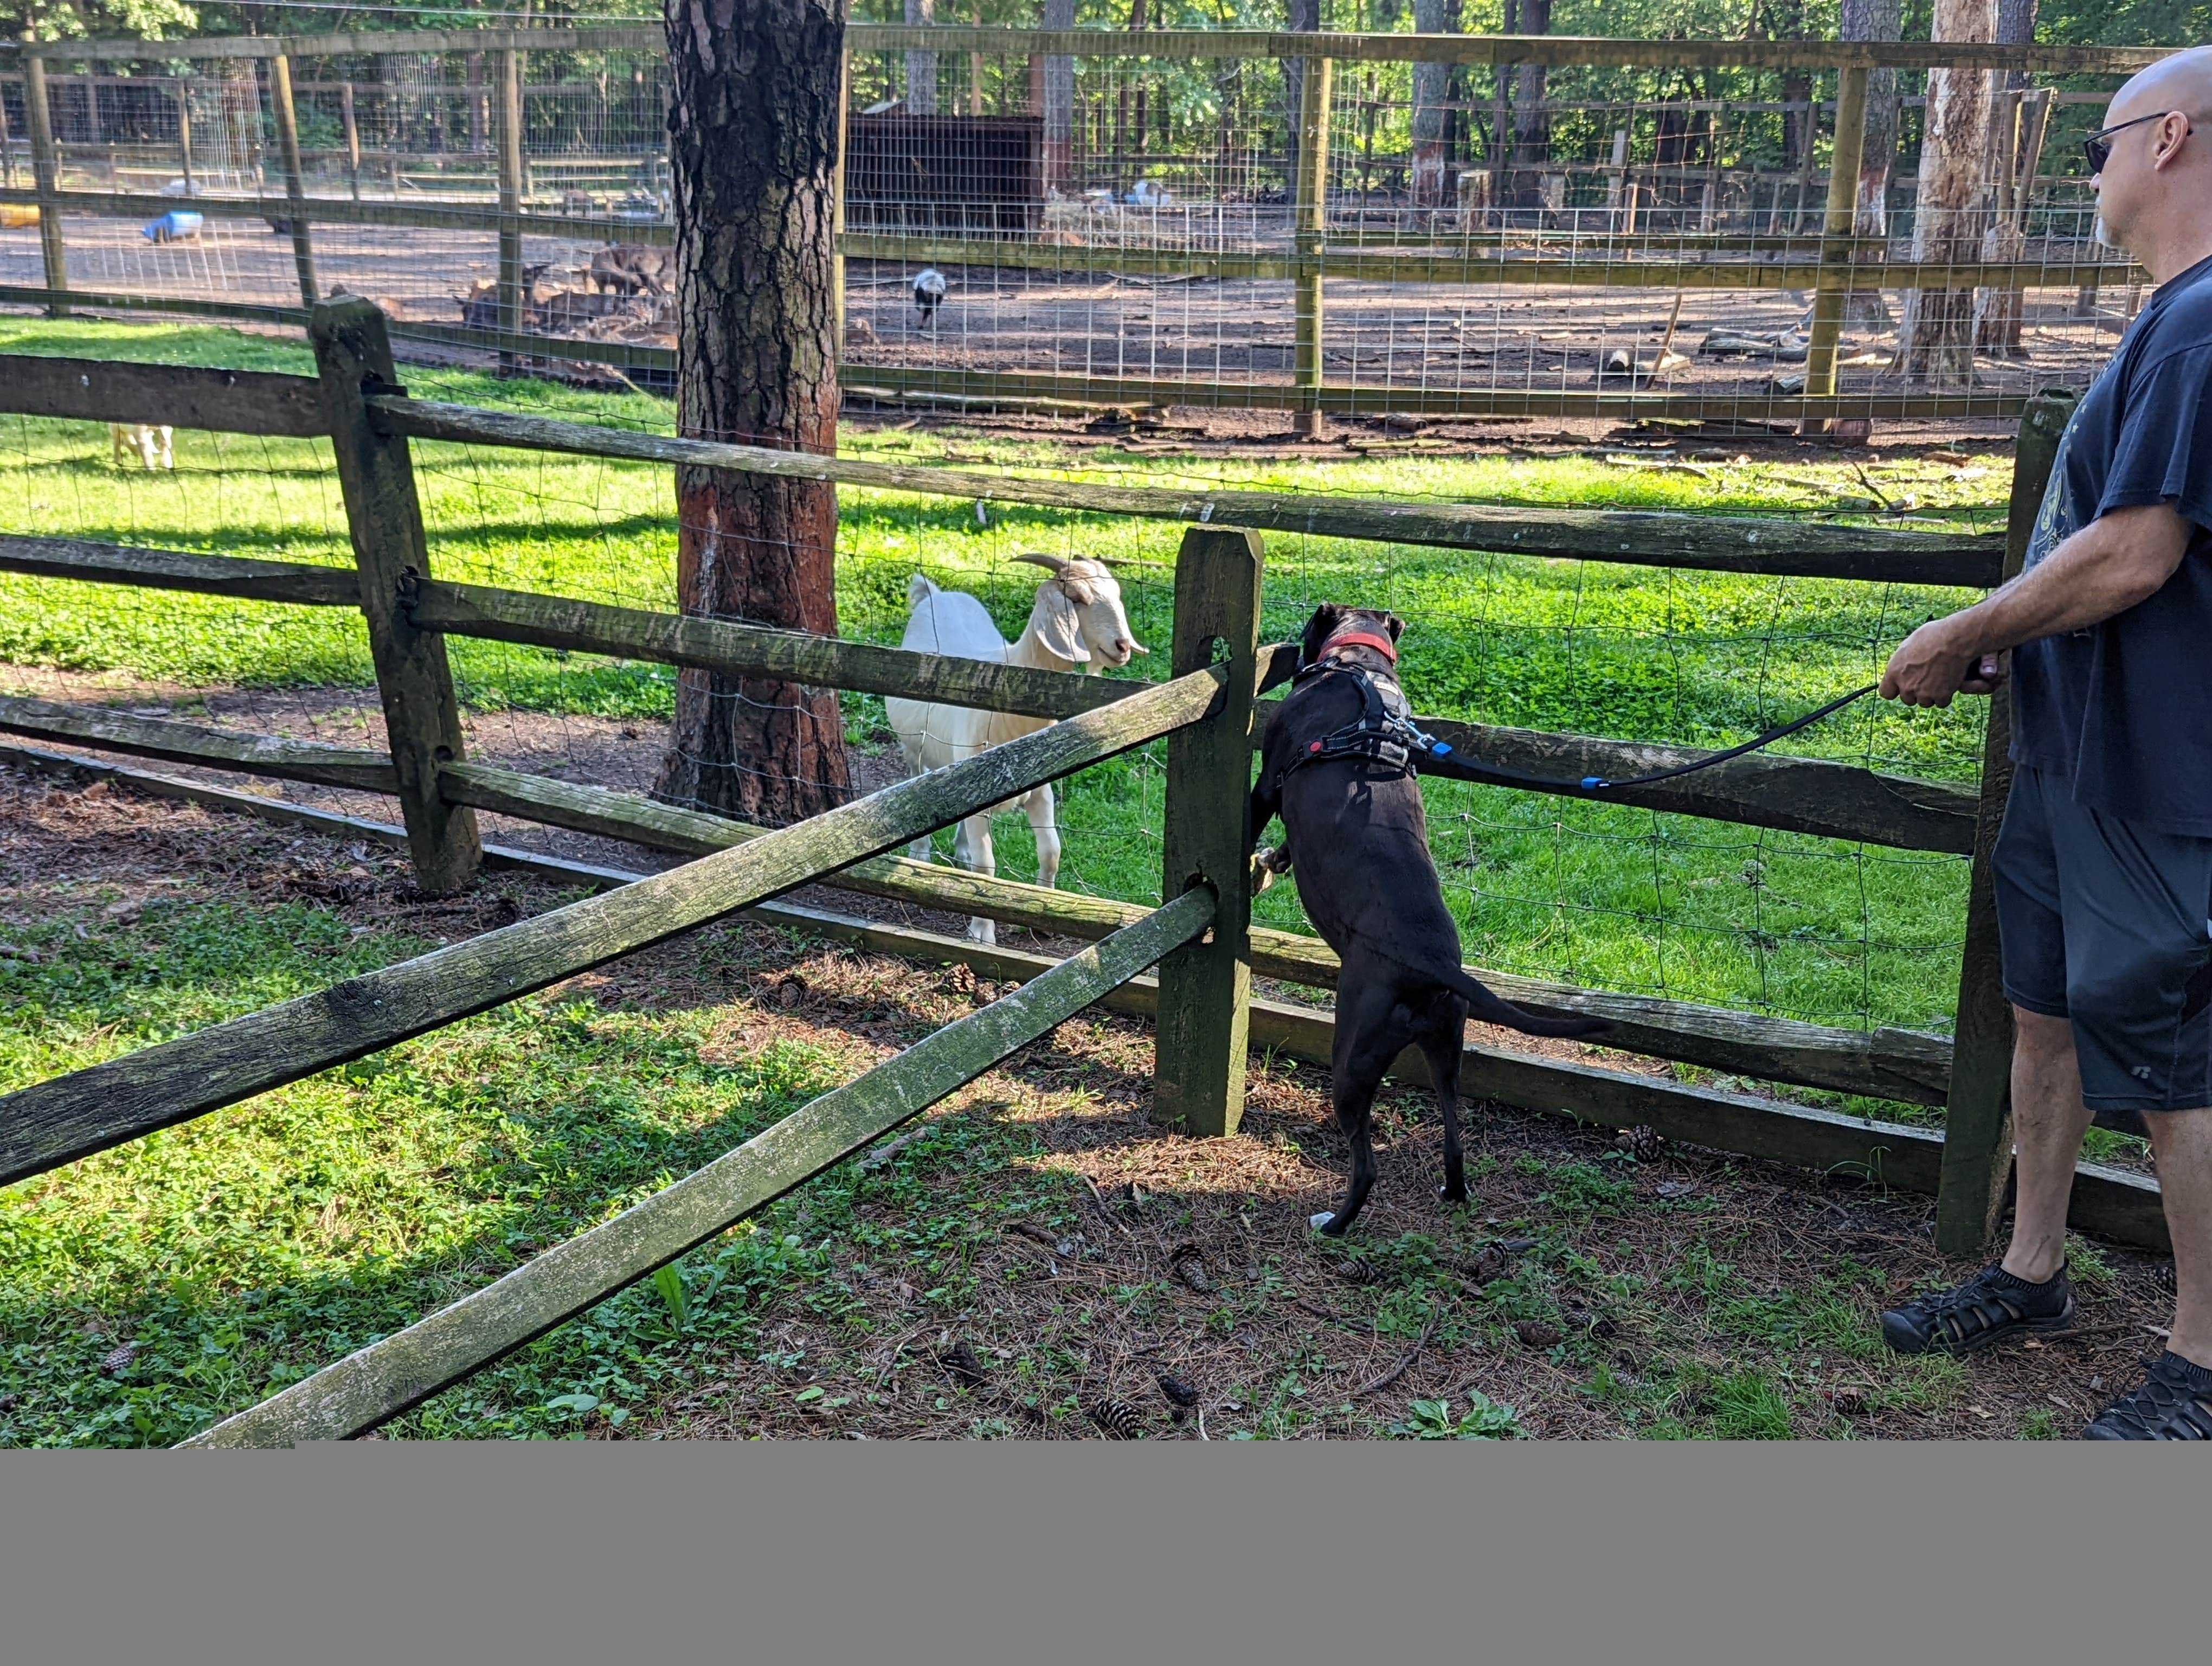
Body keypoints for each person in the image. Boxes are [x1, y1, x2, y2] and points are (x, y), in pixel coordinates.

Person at [1872, 46, 2212, 1438]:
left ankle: (2202, 1364)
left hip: (2158, 765)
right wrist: (2026, 635)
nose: (2092, 172)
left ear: (2171, 139)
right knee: (2046, 1014)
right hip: (2075, 749)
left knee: (2177, 1058)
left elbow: (2136, 551)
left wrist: (1965, 626)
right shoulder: (2168, 321)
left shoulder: (2202, 324)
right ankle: (2032, 1270)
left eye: (2098, 144)